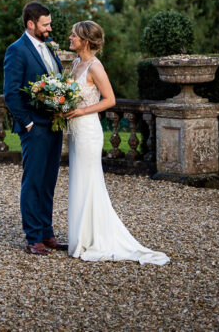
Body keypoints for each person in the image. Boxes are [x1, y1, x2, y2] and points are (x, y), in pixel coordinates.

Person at [64, 21, 169, 265]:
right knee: (79, 180)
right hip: (75, 130)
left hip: (88, 129)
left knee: (90, 181)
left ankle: (94, 238)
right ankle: (81, 236)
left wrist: (82, 112)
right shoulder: (76, 64)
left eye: (74, 35)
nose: (70, 37)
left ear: (85, 40)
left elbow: (109, 100)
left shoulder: (94, 66)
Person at [3, 1, 67, 255]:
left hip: (54, 125)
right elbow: (10, 94)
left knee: (49, 181)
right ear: (31, 24)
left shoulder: (49, 47)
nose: (50, 28)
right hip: (35, 127)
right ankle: (33, 238)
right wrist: (28, 123)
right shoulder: (16, 50)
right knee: (33, 182)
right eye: (46, 24)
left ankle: (47, 233)